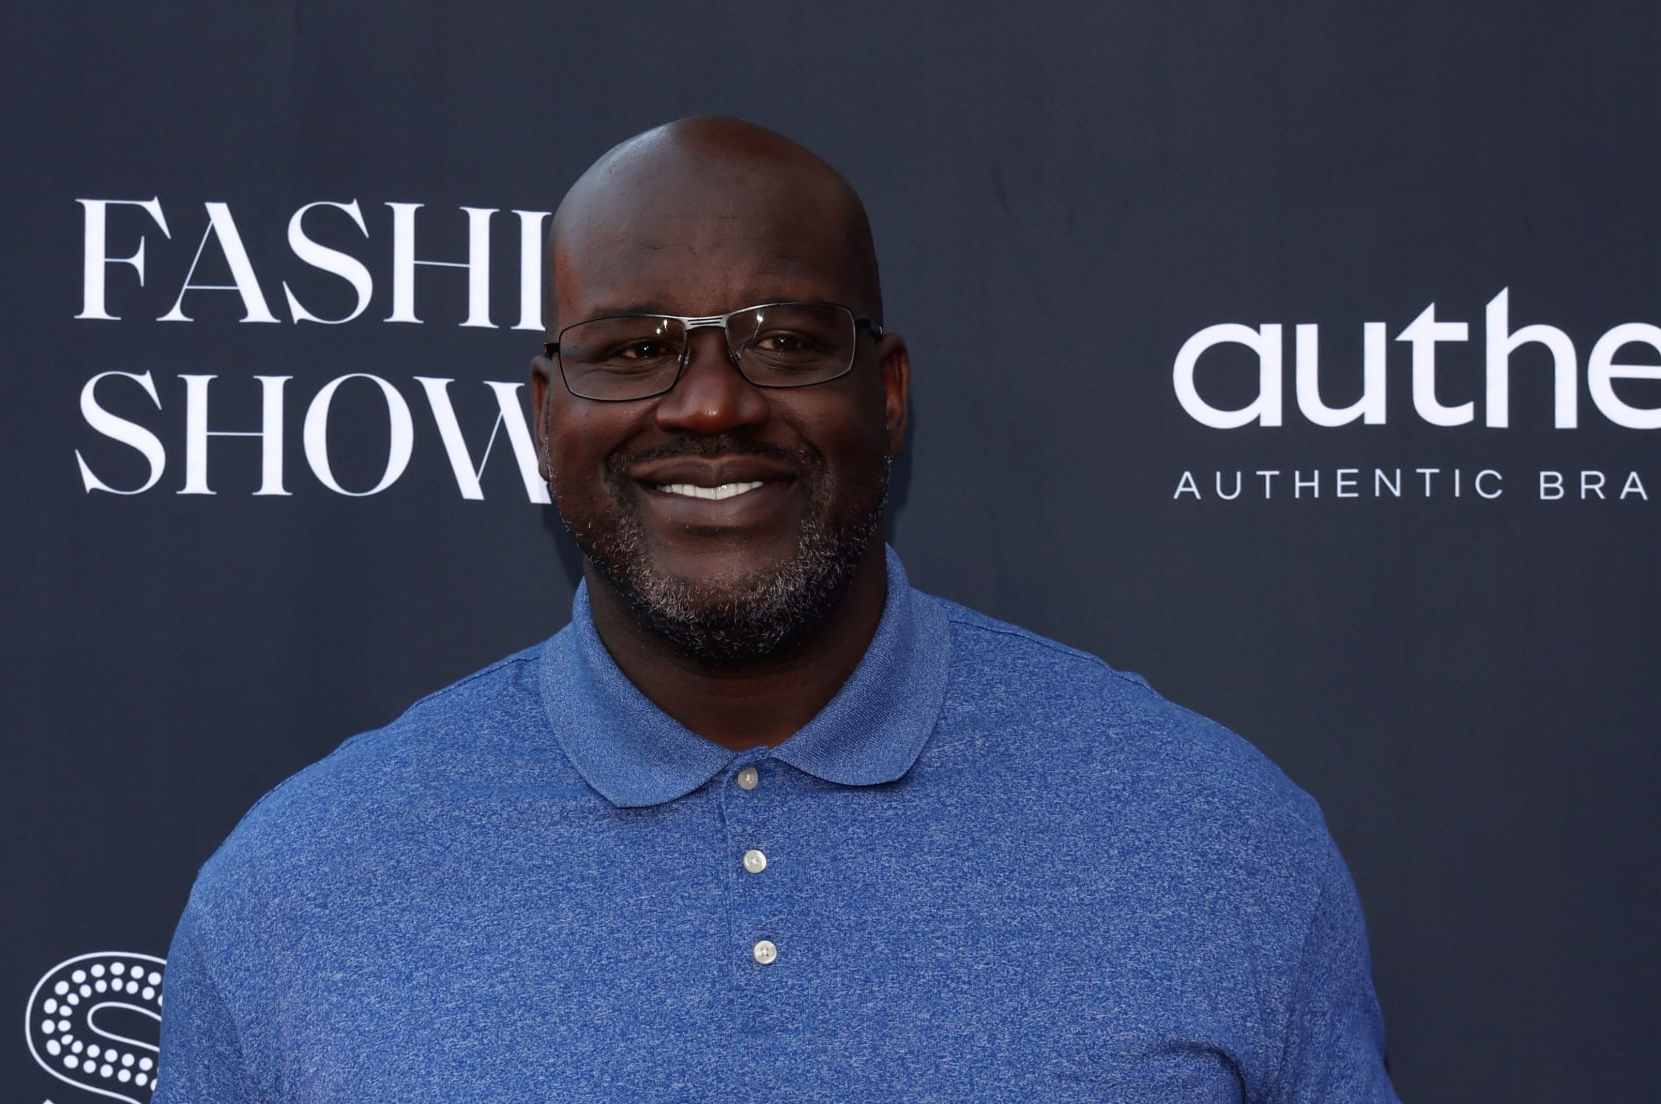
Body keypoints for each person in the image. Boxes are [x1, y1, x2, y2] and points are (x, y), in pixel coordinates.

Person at [155, 116, 1400, 1103]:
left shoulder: (1217, 842)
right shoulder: (298, 889)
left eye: (785, 341)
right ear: (545, 417)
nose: (709, 406)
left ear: (891, 393)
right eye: (634, 348)